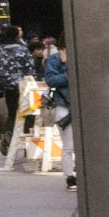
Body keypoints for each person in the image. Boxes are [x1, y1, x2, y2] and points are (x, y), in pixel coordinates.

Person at [41, 37, 75, 188]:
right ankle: (70, 177)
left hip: (79, 104)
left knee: (81, 145)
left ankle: (79, 175)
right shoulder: (55, 59)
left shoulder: (81, 56)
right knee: (69, 145)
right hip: (63, 105)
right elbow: (50, 80)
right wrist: (69, 73)